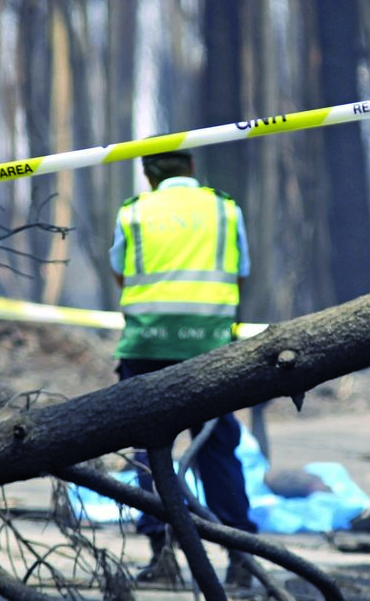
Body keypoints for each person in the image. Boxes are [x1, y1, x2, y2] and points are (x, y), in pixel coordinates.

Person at [109, 148, 257, 589]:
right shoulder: (225, 209)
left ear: (147, 174)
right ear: (192, 167)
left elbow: (120, 274)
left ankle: (162, 556)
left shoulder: (134, 212)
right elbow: (241, 273)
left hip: (147, 346)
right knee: (217, 449)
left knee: (148, 449)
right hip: (209, 349)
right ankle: (240, 559)